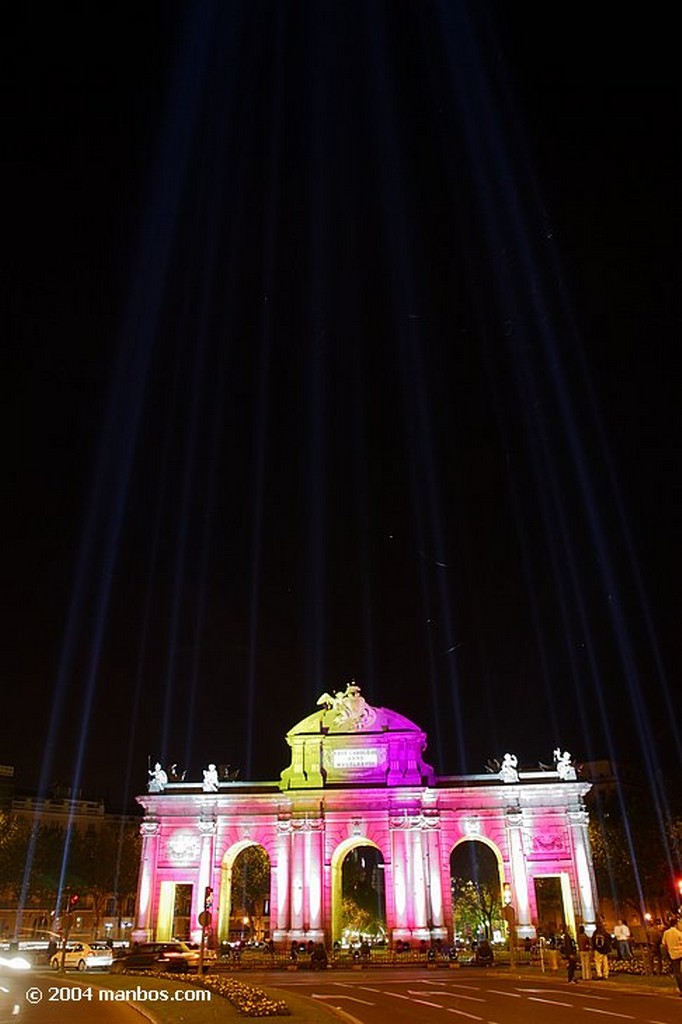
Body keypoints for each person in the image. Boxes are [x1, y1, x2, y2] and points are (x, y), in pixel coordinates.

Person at [661, 915, 682, 997]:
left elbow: (663, 944)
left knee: (678, 973)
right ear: (676, 924)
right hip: (681, 953)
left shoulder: (666, 933)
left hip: (673, 954)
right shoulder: (679, 933)